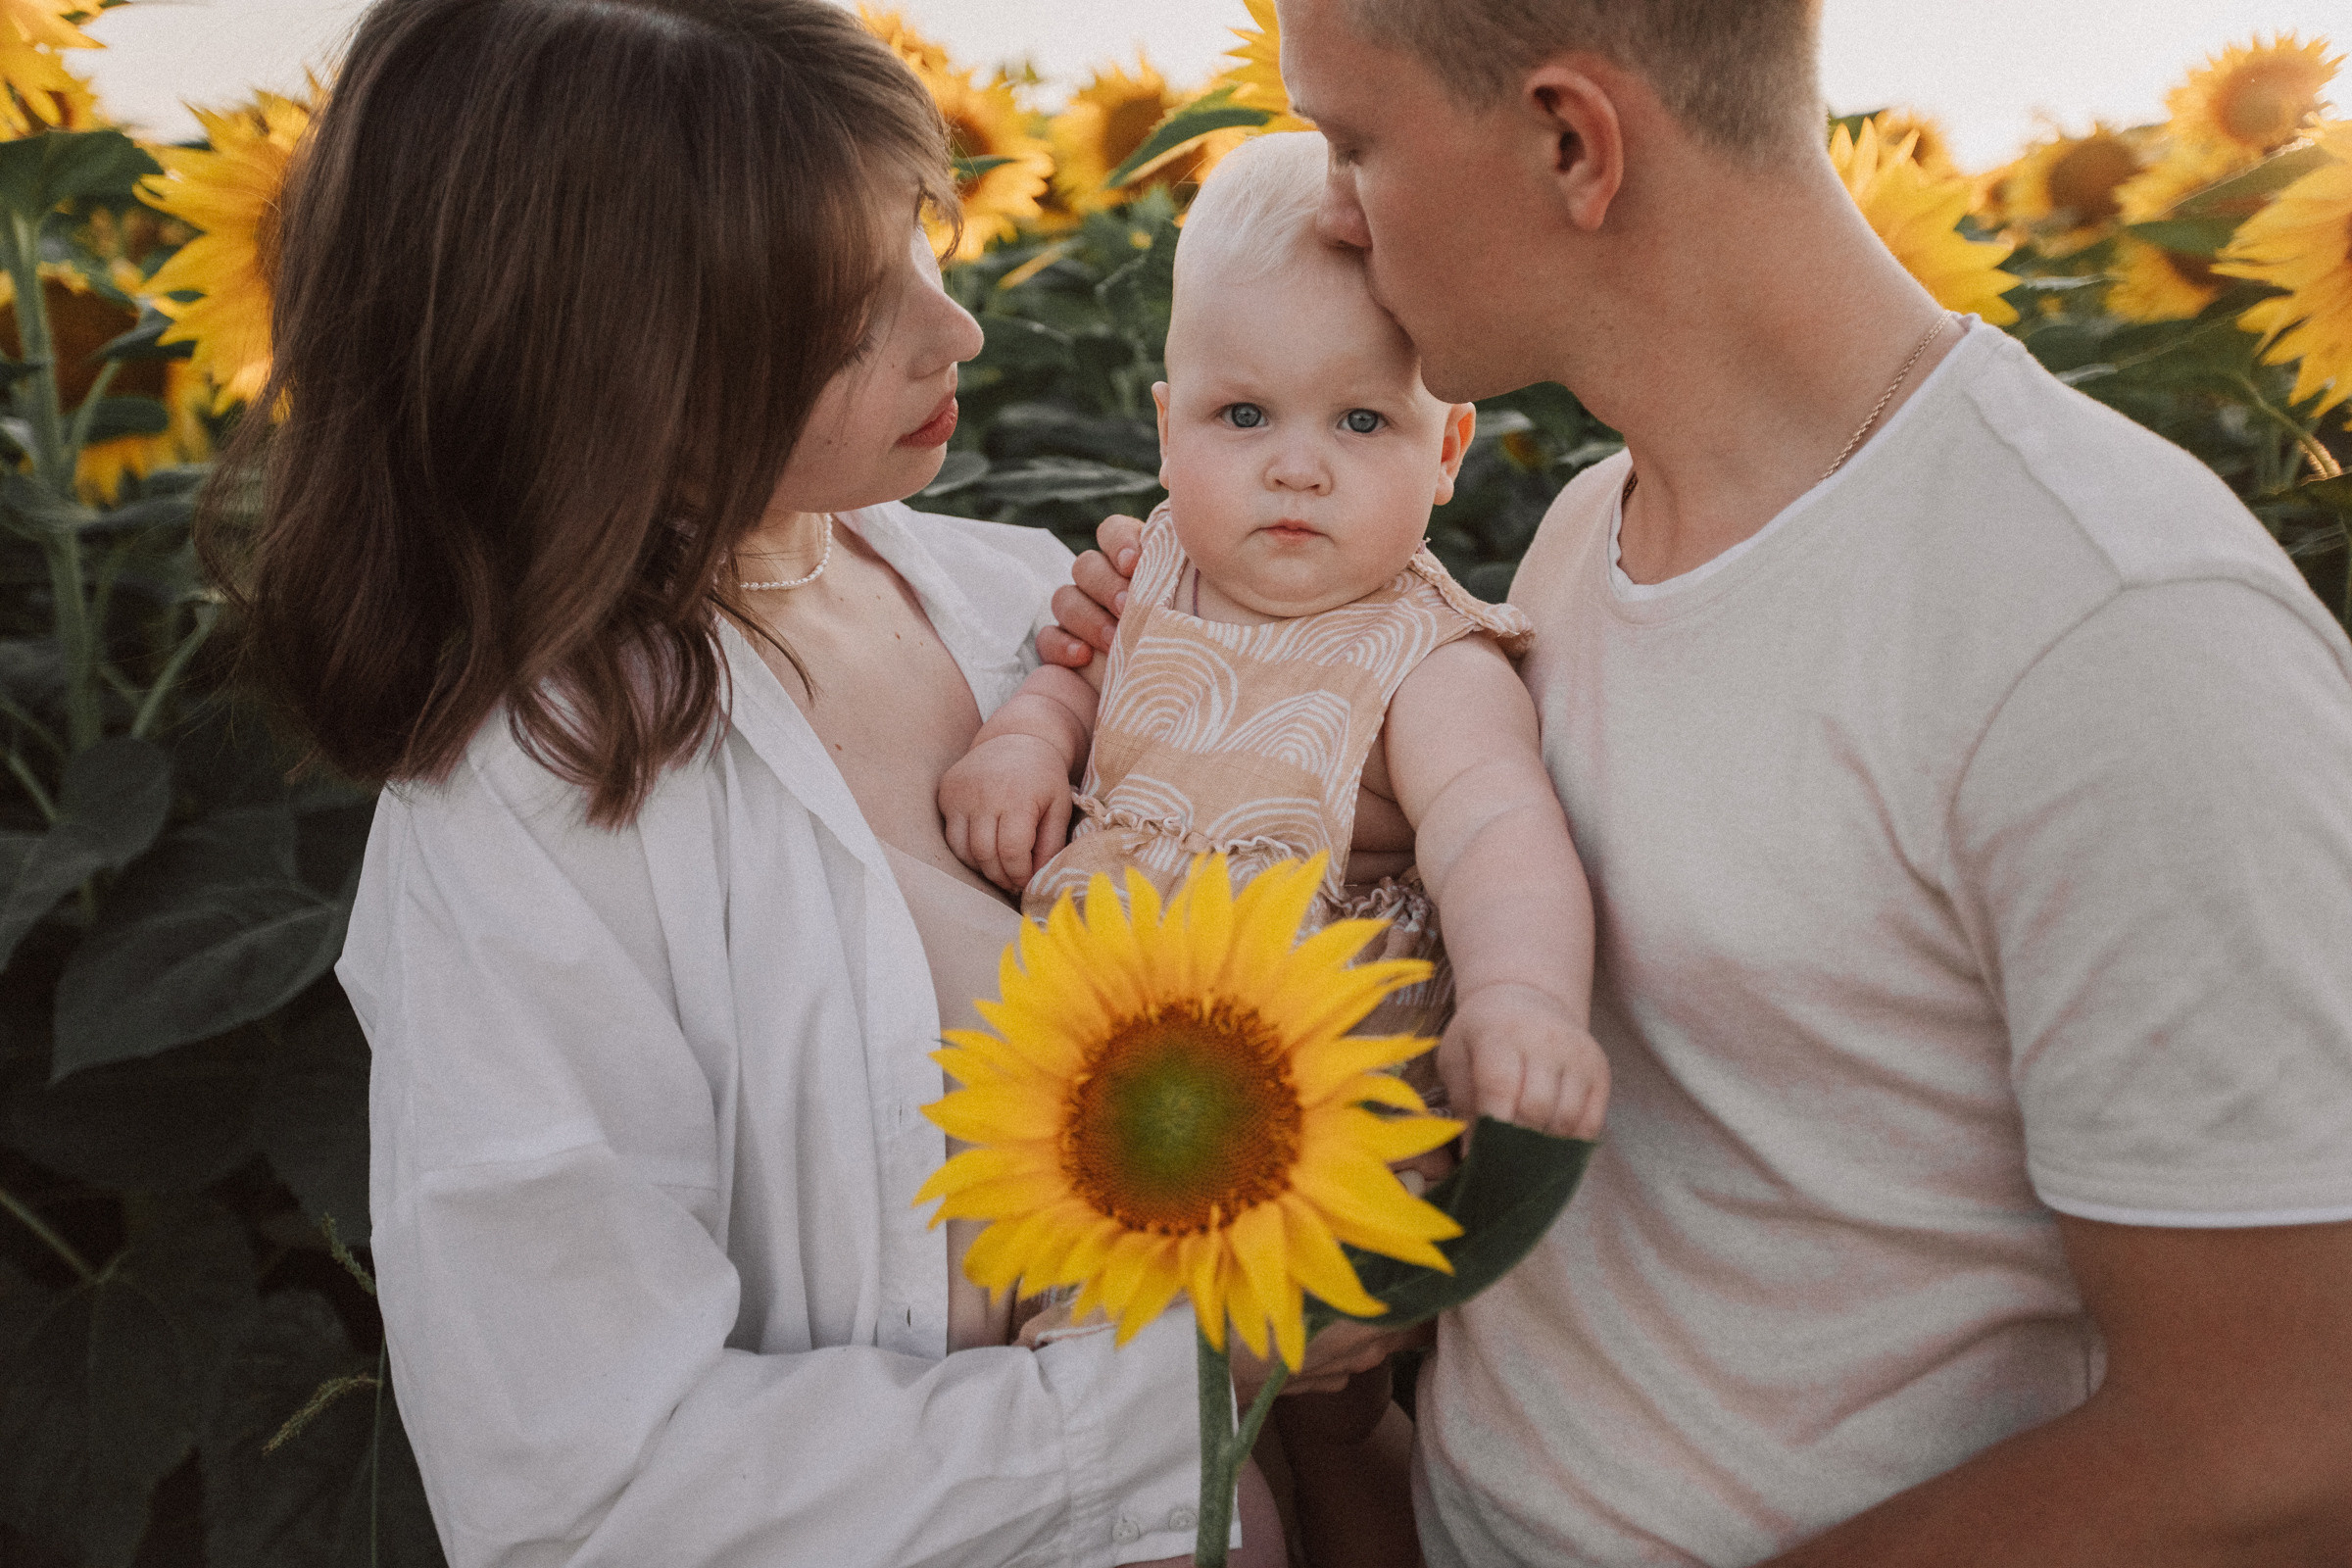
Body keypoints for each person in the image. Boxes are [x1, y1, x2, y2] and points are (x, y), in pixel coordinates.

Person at [1043, 1, 2352, 1563]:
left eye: (1353, 141)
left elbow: (2287, 1441)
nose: (1327, 209)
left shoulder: (2106, 622)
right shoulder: (1584, 534)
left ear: (1570, 144)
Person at [206, 0, 1372, 1561]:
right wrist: (1181, 1385)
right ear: (610, 358)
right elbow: (585, 1491)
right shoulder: (524, 808)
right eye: (839, 316)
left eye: (918, 243)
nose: (952, 333)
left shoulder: (1025, 603)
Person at [944, 130, 1607, 1568]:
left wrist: (1522, 999)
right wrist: (1021, 742)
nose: (1295, 470)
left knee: (1295, 1426)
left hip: (1309, 1132)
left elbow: (1499, 832)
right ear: (1167, 427)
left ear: (1447, 452)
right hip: (1130, 1114)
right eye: (1245, 418)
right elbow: (1073, 687)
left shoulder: (1426, 655)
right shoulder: (1151, 578)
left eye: (1359, 425)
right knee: (1158, 1422)